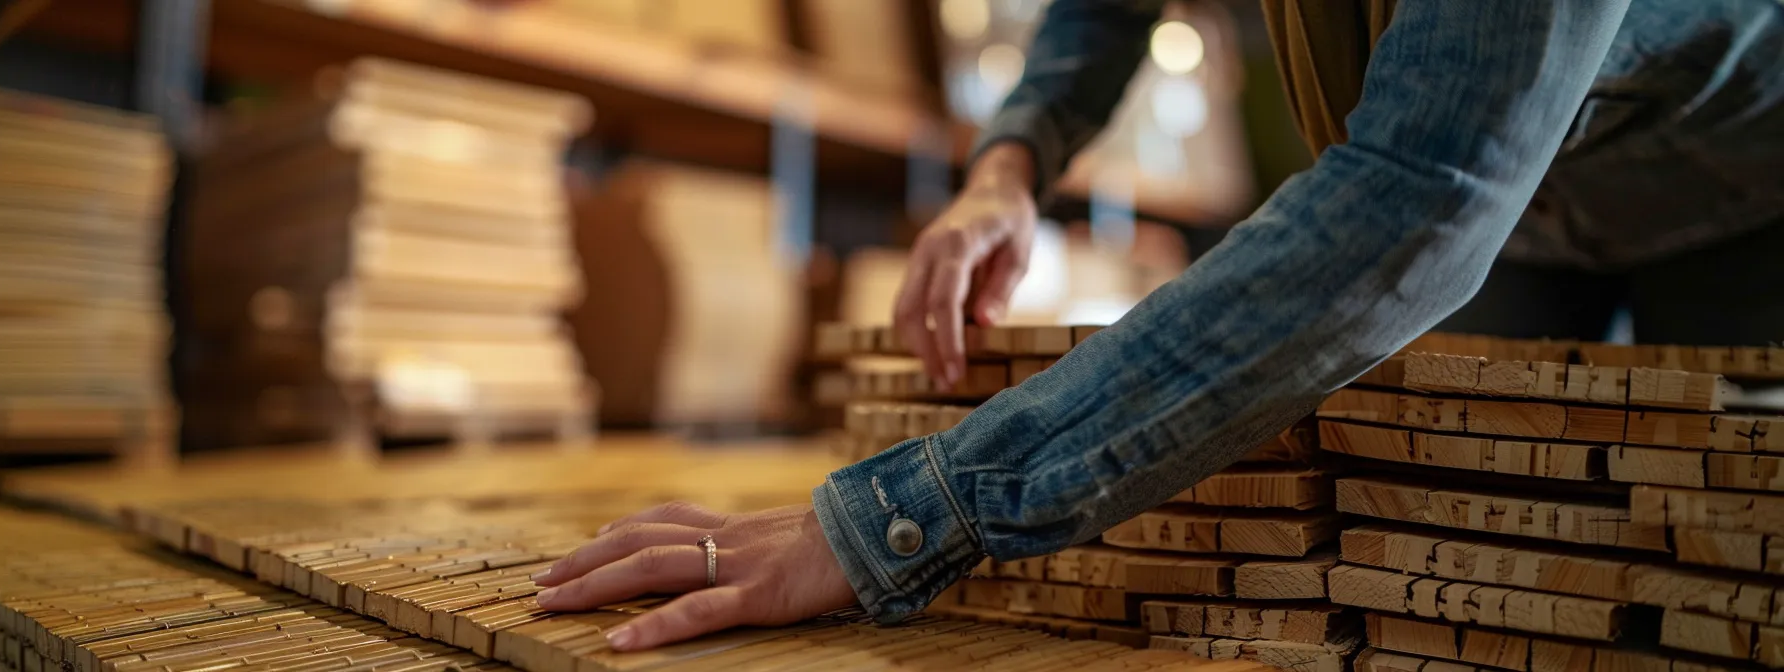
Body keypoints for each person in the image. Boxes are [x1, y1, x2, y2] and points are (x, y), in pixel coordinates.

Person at [525, 0, 1784, 652]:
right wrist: (1011, 161)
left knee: (1720, 584)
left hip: (1742, 178)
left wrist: (902, 517)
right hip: (1519, 197)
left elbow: (1419, 195)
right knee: (1487, 582)